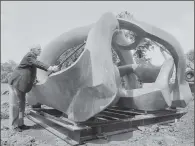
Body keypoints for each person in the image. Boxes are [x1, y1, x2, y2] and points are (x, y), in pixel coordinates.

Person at [8, 44, 59, 132]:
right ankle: (14, 126)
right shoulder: (29, 56)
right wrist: (50, 68)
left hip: (22, 84)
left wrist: (34, 80)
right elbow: (38, 64)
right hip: (17, 82)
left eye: (40, 49)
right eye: (38, 49)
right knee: (16, 105)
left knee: (22, 105)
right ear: (32, 50)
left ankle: (20, 124)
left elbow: (30, 71)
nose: (40, 50)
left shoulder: (32, 58)